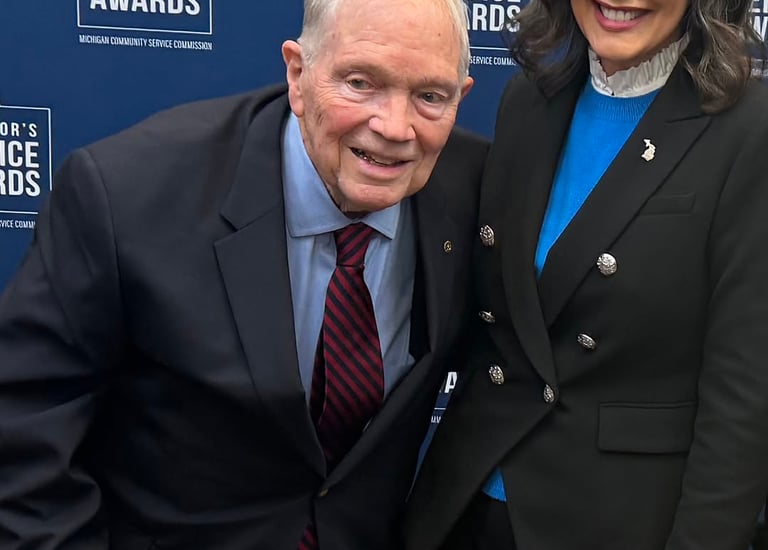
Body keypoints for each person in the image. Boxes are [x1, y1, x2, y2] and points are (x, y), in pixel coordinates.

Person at [0, 0, 485, 548]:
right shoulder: (125, 195)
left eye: (430, 96)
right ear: (298, 75)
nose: (395, 127)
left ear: (460, 97)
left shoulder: (479, 195)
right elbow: (21, 435)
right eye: (360, 83)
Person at [405, 0, 768, 548]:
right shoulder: (527, 100)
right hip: (464, 506)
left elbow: (744, 399)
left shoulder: (749, 131)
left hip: (616, 522)